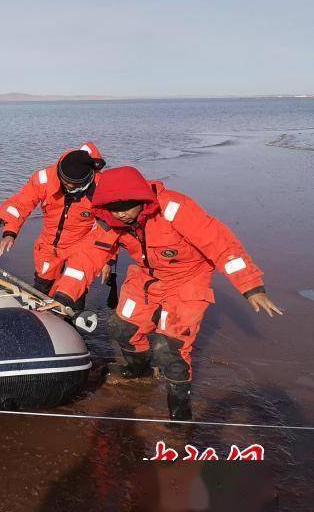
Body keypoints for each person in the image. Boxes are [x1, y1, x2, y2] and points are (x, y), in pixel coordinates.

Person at [46, 165, 282, 420]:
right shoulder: (110, 221)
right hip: (147, 278)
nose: (122, 214)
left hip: (187, 281)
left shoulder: (175, 209)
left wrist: (251, 286)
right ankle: (139, 370)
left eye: (128, 206)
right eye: (115, 208)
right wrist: (63, 297)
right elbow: (86, 260)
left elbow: (220, 243)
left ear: (142, 199)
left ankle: (180, 415)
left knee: (169, 349)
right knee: (122, 327)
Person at [0, 142, 108, 304]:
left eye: (73, 184)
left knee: (73, 291)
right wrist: (9, 232)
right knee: (42, 287)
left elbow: (108, 230)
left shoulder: (101, 188)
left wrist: (106, 261)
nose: (68, 186)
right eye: (65, 182)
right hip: (48, 245)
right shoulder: (45, 179)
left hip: (80, 247)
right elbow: (21, 203)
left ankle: (70, 320)